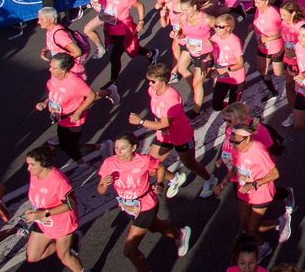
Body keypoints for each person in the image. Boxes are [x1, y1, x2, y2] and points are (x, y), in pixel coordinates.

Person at [96, 132, 193, 270]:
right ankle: (180, 234)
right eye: (116, 148)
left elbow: (160, 168)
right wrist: (103, 185)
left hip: (146, 205)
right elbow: (100, 190)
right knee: (155, 226)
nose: (118, 152)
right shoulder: (110, 163)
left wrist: (159, 184)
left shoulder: (143, 160)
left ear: (134, 147)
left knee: (129, 251)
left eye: (123, 148)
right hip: (128, 207)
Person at [131, 63, 215, 199]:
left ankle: (210, 180)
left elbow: (165, 123)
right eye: (149, 80)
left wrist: (141, 122)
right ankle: (174, 178)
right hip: (164, 136)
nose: (150, 84)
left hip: (181, 136)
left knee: (190, 164)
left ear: (163, 80)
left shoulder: (172, 98)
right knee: (151, 168)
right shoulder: (152, 91)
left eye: (153, 81)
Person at [211, 123, 291, 259]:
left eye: (237, 141)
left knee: (252, 228)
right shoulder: (237, 148)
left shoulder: (258, 151)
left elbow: (275, 174)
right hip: (244, 191)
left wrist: (253, 184)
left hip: (261, 193)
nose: (234, 144)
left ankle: (279, 224)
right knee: (244, 227)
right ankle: (263, 243)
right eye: (232, 140)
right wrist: (222, 184)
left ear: (247, 139)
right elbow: (235, 168)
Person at [21, 146, 86, 272]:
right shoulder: (35, 174)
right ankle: (71, 243)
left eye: (32, 165)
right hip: (44, 221)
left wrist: (43, 213)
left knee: (64, 257)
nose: (28, 168)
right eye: (28, 164)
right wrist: (35, 212)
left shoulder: (59, 181)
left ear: (43, 163)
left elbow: (70, 204)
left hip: (62, 223)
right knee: (32, 257)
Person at [35, 53, 103, 167]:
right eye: (50, 66)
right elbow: (53, 92)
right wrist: (45, 102)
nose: (50, 69)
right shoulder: (55, 76)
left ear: (64, 69)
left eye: (53, 67)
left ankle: (92, 155)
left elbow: (91, 95)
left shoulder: (75, 82)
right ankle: (86, 156)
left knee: (70, 149)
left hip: (73, 120)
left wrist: (78, 112)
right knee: (63, 144)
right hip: (60, 118)